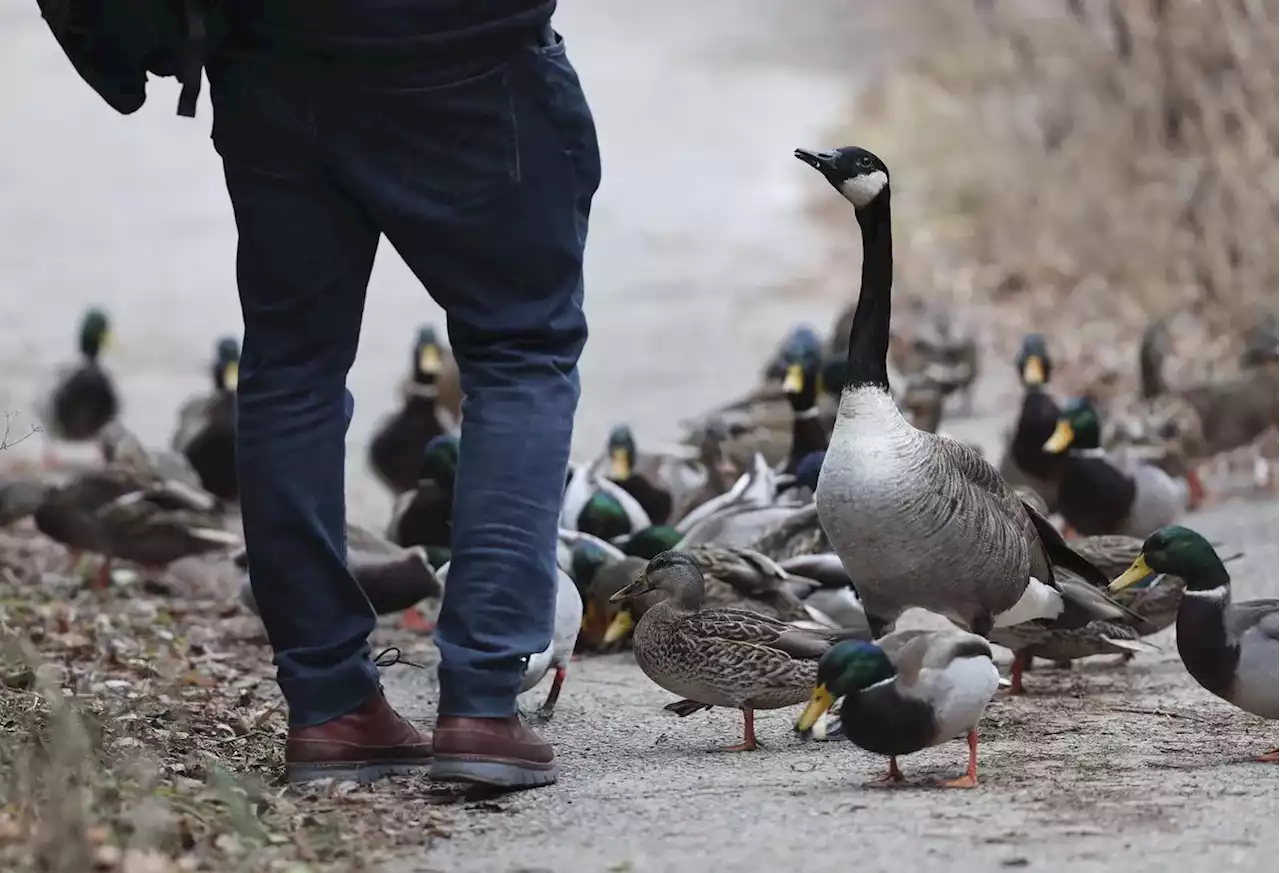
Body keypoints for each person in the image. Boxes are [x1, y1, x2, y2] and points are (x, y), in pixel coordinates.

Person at [212, 1, 600, 789]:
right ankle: (484, 704)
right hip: (464, 56)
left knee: (291, 366)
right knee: (521, 347)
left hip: (268, 54)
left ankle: (329, 706)